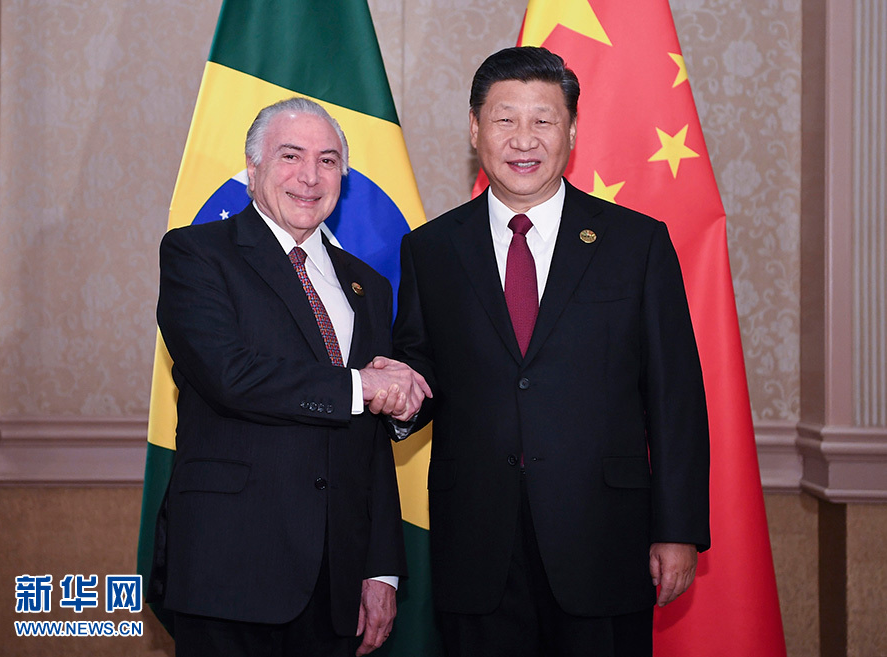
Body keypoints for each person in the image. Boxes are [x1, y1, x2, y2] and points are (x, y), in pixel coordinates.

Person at [390, 47, 710, 656]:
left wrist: (679, 529)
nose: (523, 139)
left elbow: (676, 397)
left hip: (603, 538)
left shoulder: (635, 243)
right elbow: (421, 368)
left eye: (543, 120)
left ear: (572, 131)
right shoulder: (430, 250)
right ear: (475, 129)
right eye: (504, 119)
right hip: (476, 543)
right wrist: (400, 395)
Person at [151, 97, 430, 657]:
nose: (310, 176)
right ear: (252, 169)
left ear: (343, 178)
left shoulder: (369, 286)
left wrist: (380, 569)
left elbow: (370, 442)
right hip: (229, 570)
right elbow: (231, 375)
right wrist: (361, 387)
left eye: (328, 161)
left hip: (336, 582)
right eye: (290, 155)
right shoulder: (197, 255)